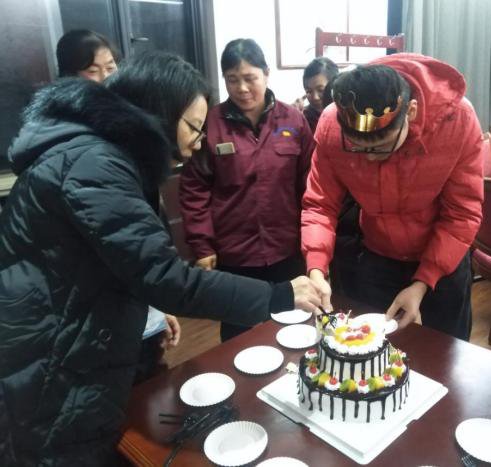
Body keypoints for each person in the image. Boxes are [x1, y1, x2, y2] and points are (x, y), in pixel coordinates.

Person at [0, 52, 321, 466]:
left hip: (77, 333)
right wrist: (280, 295)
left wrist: (150, 310)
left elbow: (122, 259)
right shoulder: (93, 163)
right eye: (194, 127)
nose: (200, 140)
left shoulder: (98, 153)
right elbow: (164, 276)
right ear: (158, 113)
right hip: (54, 354)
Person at [302, 53, 483, 340]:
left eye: (382, 146)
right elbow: (320, 205)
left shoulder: (457, 119)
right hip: (378, 254)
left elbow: (463, 212)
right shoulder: (331, 125)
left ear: (411, 112)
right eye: (358, 148)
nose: (371, 158)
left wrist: (422, 283)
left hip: (444, 257)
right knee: (376, 346)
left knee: (448, 349)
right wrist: (316, 270)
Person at [56, 29, 182, 381]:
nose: (105, 78)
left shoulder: (124, 133)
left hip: (136, 311)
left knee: (152, 387)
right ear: (69, 77)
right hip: (97, 327)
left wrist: (158, 309)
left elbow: (143, 245)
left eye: (111, 67)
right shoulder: (78, 148)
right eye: (92, 70)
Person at [179, 39, 315, 342]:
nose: (241, 88)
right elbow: (194, 189)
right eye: (232, 79)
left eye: (250, 78)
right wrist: (202, 246)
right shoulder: (211, 124)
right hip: (235, 252)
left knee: (296, 328)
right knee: (238, 335)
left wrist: (312, 242)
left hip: (286, 248)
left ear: (266, 74)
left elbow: (310, 185)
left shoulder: (293, 120)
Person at [301, 57, 339, 133]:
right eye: (309, 91)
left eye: (321, 90)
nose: (315, 97)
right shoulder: (305, 118)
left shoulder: (347, 115)